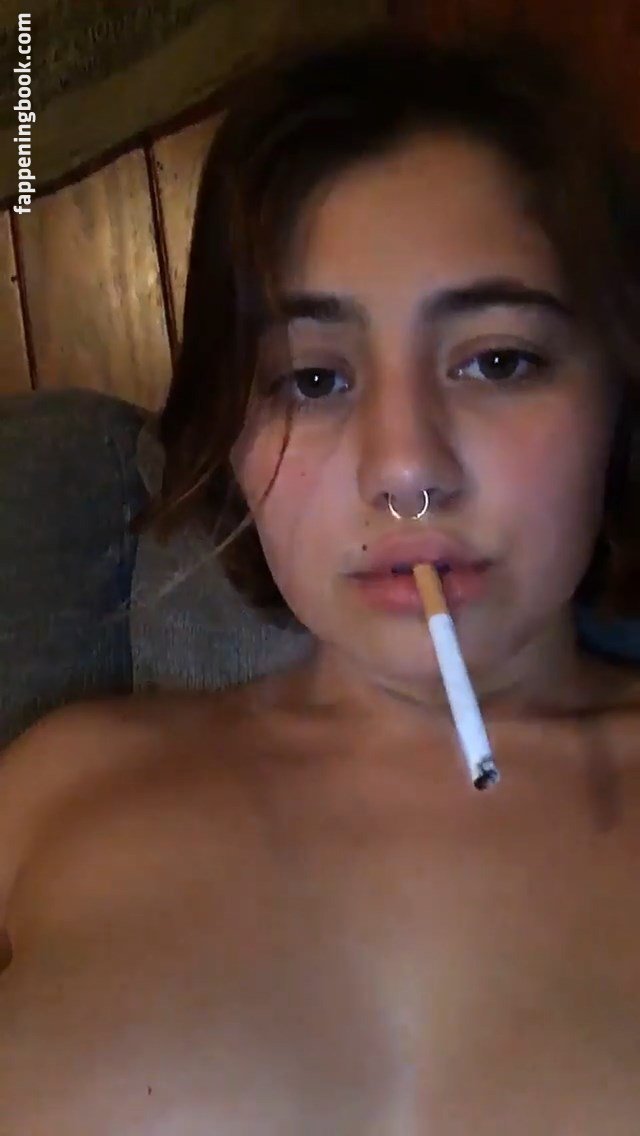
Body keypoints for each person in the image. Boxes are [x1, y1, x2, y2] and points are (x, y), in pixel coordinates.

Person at [1, 23, 640, 1135]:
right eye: (311, 378)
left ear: (617, 400)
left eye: (498, 359)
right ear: (227, 436)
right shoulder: (53, 790)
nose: (405, 470)